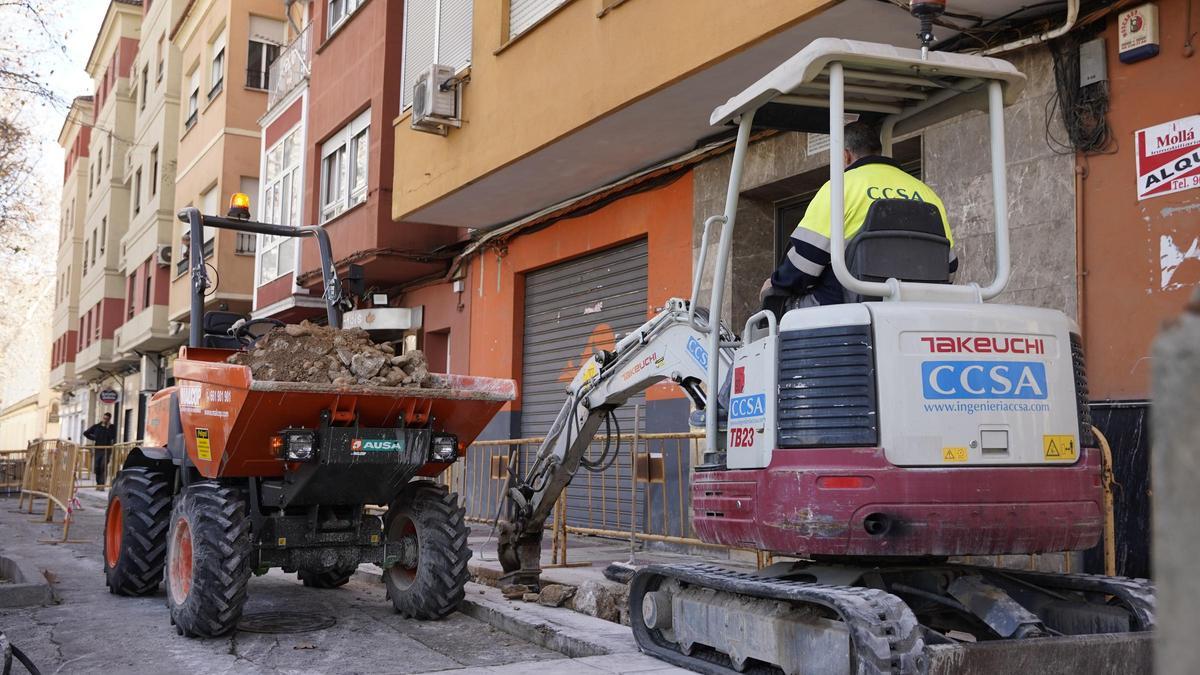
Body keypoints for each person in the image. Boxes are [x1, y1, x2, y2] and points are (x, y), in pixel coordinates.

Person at [761, 121, 957, 311]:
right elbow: (949, 267)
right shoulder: (927, 194)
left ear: (845, 155)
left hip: (843, 308)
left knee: (774, 307)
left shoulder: (839, 188)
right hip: (915, 309)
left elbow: (803, 264)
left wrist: (775, 285)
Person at [83, 412, 116, 488]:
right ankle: (98, 483)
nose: (105, 420)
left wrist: (107, 428)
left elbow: (112, 437)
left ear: (109, 419)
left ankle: (102, 485)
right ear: (102, 418)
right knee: (97, 467)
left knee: (103, 466)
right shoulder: (97, 426)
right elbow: (85, 433)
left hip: (107, 450)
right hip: (98, 449)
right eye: (104, 418)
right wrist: (94, 438)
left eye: (107, 419)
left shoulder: (111, 427)